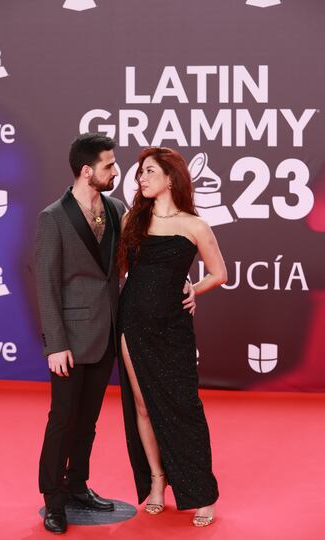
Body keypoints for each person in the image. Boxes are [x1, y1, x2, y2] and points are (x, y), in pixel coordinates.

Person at [117, 147, 227, 527]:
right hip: (131, 321)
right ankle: (157, 481)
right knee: (142, 406)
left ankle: (202, 493)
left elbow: (220, 273)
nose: (141, 178)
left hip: (173, 329)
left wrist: (194, 288)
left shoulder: (195, 225)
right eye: (140, 173)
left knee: (185, 407)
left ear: (170, 177)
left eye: (149, 171)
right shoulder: (133, 217)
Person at [34, 133, 126, 534]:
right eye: (109, 165)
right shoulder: (53, 217)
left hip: (106, 333)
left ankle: (77, 485)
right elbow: (47, 285)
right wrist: (56, 345)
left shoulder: (118, 209)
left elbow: (130, 264)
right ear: (87, 171)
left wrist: (181, 284)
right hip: (69, 341)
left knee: (88, 420)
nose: (116, 171)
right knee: (63, 420)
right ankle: (53, 499)